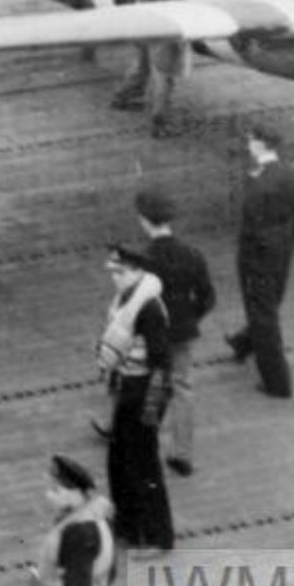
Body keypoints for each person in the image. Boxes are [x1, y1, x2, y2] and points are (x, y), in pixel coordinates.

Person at [103, 189, 212, 477]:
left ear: (144, 221)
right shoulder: (193, 254)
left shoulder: (143, 259)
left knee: (135, 378)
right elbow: (207, 297)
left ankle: (122, 433)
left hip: (150, 335)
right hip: (183, 333)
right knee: (182, 388)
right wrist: (188, 319)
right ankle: (182, 453)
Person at [96, 246, 175, 551]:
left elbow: (161, 364)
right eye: (113, 272)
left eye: (122, 272)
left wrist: (152, 411)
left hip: (145, 391)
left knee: (144, 464)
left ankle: (158, 536)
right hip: (129, 388)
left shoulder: (150, 309)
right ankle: (128, 525)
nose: (116, 278)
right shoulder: (125, 300)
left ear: (138, 272)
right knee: (118, 458)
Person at [223, 121, 294, 399]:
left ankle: (277, 382)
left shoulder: (257, 181)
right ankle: (243, 342)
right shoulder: (293, 173)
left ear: (257, 144)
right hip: (282, 252)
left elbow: (251, 226)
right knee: (269, 302)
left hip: (257, 258)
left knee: (263, 313)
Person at [30, 454, 117, 586]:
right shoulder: (97, 517)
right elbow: (112, 571)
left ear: (75, 493)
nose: (48, 495)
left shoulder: (79, 533)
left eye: (56, 490)